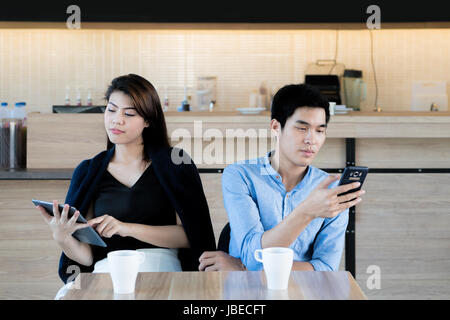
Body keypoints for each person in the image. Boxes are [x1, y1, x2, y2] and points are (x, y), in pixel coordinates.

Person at [36, 74, 216, 297]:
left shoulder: (174, 164)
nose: (116, 120)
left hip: (160, 268)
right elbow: (88, 256)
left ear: (148, 120)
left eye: (129, 114)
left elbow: (190, 235)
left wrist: (126, 227)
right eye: (111, 110)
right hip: (106, 271)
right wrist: (63, 237)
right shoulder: (89, 170)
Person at [198, 83, 364, 272]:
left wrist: (242, 267)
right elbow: (253, 257)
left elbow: (326, 268)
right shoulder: (240, 175)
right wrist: (306, 212)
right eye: (302, 128)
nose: (312, 140)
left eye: (319, 130)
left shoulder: (331, 192)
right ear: (276, 127)